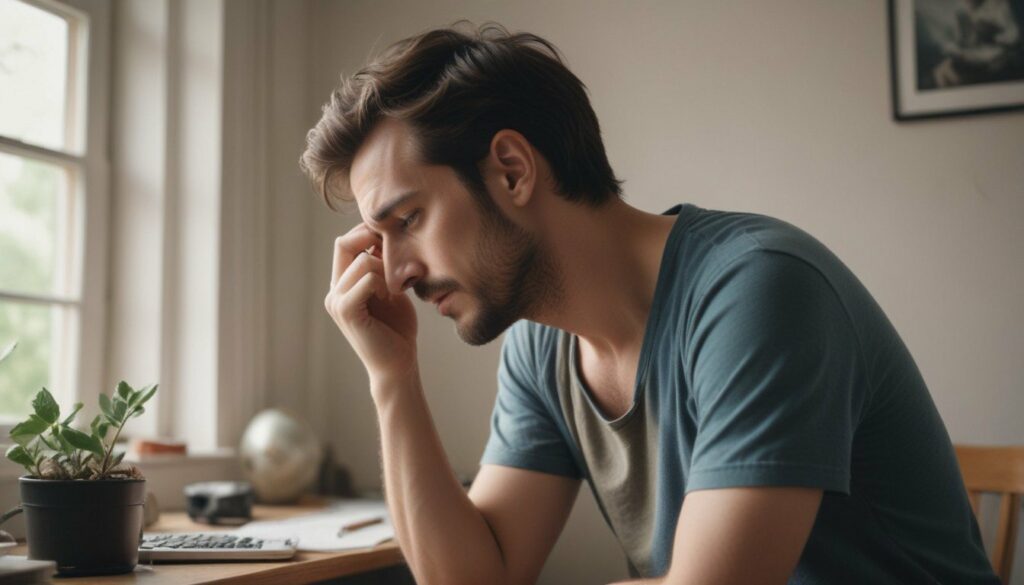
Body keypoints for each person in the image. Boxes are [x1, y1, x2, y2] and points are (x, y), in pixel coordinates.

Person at [300, 21, 999, 585]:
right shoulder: (541, 347)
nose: (392, 275)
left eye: (408, 220)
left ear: (511, 170)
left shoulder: (758, 292)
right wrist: (391, 377)